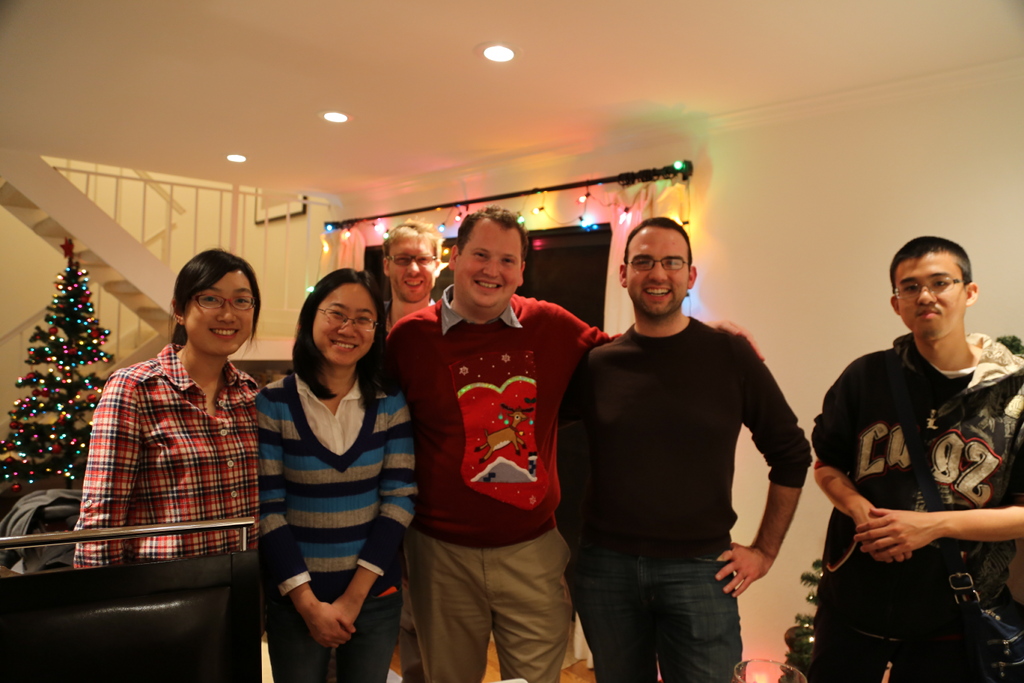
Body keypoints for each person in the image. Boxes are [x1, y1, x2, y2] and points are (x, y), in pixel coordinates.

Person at [387, 205, 760, 683]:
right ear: (455, 257)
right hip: (440, 555)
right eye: (480, 254)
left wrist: (709, 340)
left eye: (506, 260)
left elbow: (635, 358)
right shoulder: (409, 339)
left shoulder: (553, 327)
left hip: (530, 550)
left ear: (522, 270)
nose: (491, 270)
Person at [571, 217, 811, 683]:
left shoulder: (730, 355)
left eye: (671, 262)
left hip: (701, 572)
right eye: (642, 262)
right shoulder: (598, 364)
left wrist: (764, 551)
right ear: (623, 275)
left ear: (690, 276)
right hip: (606, 569)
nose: (657, 273)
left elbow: (791, 453)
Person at [809, 236, 1024, 682]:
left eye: (940, 282)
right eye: (910, 287)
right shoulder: (865, 377)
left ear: (970, 292)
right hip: (851, 612)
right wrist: (859, 511)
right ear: (896, 304)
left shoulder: (1016, 396)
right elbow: (827, 464)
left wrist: (934, 526)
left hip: (953, 620)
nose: (925, 296)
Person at [258, 268, 416, 683]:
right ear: (310, 318)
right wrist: (309, 604)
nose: (349, 328)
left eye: (364, 318)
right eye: (337, 314)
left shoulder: (389, 400)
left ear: (376, 330)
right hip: (295, 601)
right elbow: (268, 509)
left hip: (374, 597)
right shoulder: (273, 403)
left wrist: (352, 600)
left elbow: (399, 497)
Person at [74, 248, 262, 566]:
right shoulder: (134, 389)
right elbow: (101, 519)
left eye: (241, 301)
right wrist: (103, 606)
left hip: (243, 591)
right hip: (166, 597)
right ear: (179, 309)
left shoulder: (250, 394)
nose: (228, 315)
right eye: (211, 299)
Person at [382, 219, 443, 331]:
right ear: (386, 266)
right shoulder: (367, 324)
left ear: (436, 267)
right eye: (402, 259)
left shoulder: (452, 331)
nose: (413, 270)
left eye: (423, 259)